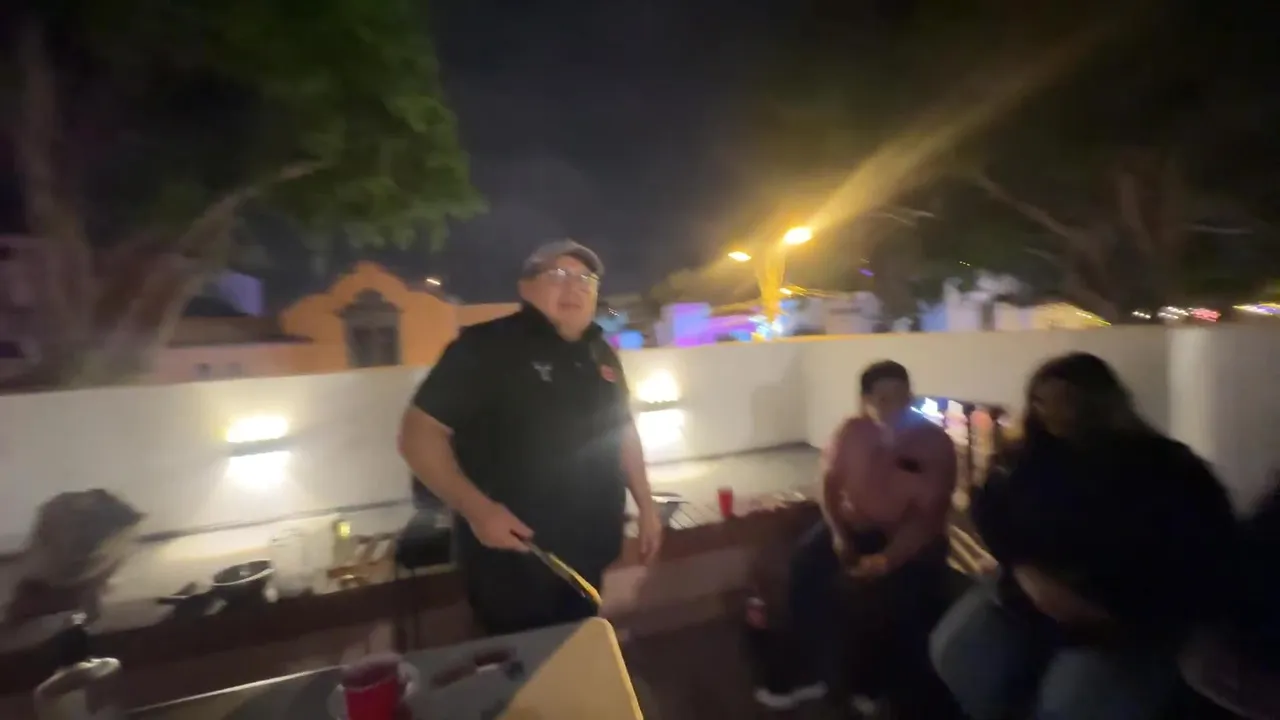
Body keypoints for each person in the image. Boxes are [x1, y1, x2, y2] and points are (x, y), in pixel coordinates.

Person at [930, 352, 1239, 720]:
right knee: (957, 654)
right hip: (1030, 597)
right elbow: (989, 506)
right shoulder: (1031, 457)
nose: (1050, 412)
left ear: (1098, 401)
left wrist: (1105, 610)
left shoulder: (1166, 468)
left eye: (1064, 400)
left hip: (1122, 623)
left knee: (1069, 703)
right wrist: (1025, 569)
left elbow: (1199, 553)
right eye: (1040, 401)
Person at [398, 240, 664, 635]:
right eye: (558, 274)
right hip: (515, 560)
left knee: (578, 644)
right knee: (525, 660)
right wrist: (478, 510)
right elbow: (418, 435)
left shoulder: (601, 354)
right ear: (525, 287)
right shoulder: (485, 347)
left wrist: (646, 504)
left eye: (586, 279)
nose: (574, 287)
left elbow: (622, 429)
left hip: (590, 549)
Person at [759, 361, 957, 713]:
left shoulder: (934, 443)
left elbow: (928, 517)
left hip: (909, 540)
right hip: (853, 527)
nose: (894, 406)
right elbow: (828, 484)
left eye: (902, 396)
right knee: (805, 565)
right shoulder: (851, 432)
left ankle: (874, 686)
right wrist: (838, 533)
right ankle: (809, 670)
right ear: (865, 401)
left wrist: (887, 559)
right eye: (882, 398)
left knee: (895, 598)